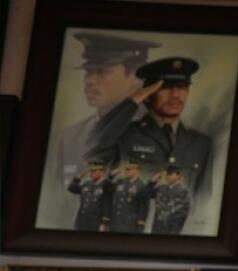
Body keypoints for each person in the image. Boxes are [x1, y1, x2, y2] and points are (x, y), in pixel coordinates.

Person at [91, 57, 213, 205]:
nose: (175, 94)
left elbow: (204, 199)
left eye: (182, 86)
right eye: (166, 87)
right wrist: (133, 101)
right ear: (147, 95)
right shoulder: (124, 134)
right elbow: (92, 147)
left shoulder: (201, 143)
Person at [51, 32, 157, 192]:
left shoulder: (158, 134)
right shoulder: (71, 136)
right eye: (88, 71)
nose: (90, 80)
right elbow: (57, 197)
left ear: (136, 77)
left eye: (103, 71)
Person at [105, 161, 153, 234]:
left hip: (129, 224)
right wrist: (111, 176)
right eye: (126, 169)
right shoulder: (120, 181)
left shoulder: (142, 186)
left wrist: (140, 226)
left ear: (137, 170)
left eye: (129, 169)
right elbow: (108, 189)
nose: (126, 171)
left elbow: (143, 207)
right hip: (115, 222)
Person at [67, 159, 112, 231]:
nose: (91, 173)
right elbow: (71, 188)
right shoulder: (87, 183)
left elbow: (107, 205)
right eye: (91, 171)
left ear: (101, 172)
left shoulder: (107, 185)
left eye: (94, 171)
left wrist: (104, 224)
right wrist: (78, 178)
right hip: (82, 221)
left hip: (96, 223)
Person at [150, 164, 191, 234]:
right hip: (156, 227)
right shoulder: (161, 188)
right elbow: (146, 194)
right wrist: (152, 182)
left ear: (178, 176)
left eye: (171, 174)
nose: (168, 176)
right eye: (167, 174)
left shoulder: (183, 191)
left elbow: (181, 214)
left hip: (170, 229)